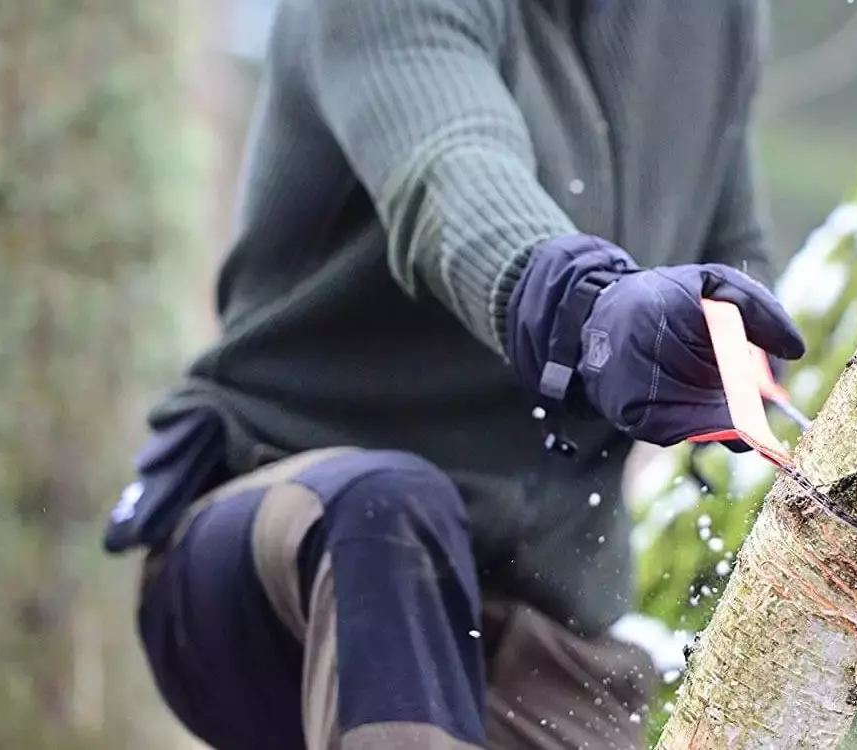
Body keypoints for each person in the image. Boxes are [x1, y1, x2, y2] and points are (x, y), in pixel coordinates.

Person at [102, 0, 806, 748]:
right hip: (282, 547)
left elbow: (735, 258)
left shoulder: (715, 19)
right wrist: (587, 310)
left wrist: (724, 353)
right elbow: (452, 171)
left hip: (537, 631)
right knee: (385, 510)